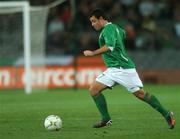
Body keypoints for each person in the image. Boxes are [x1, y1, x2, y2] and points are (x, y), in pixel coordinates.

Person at [83, 9, 175, 129]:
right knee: (93, 89)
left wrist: (93, 53)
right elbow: (123, 34)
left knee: (140, 94)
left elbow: (110, 46)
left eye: (94, 21)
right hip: (113, 69)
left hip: (123, 69)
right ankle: (106, 118)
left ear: (101, 18)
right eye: (91, 22)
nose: (92, 24)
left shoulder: (108, 29)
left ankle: (167, 114)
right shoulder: (117, 28)